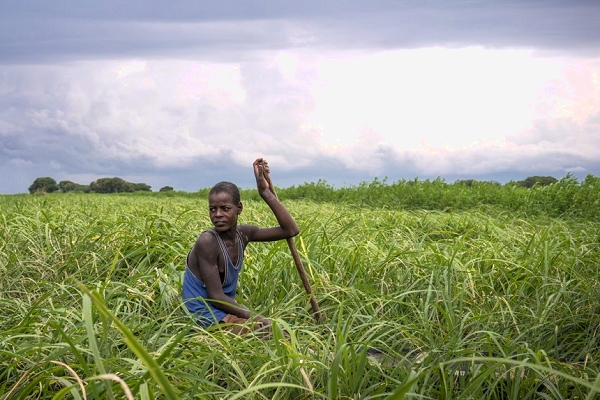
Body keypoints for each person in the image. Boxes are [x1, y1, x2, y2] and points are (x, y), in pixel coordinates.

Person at [182, 158, 299, 334]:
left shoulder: (244, 234)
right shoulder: (207, 241)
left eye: (225, 208)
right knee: (268, 333)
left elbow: (290, 229)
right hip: (201, 314)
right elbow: (215, 297)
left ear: (239, 208)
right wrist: (259, 318)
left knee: (281, 332)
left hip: (223, 310)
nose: (218, 215)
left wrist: (265, 193)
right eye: (212, 209)